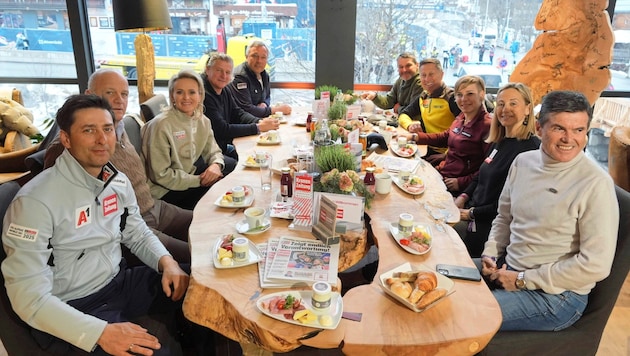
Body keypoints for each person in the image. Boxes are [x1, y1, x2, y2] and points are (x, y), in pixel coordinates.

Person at [2, 94, 190, 355]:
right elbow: (28, 298)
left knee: (204, 289)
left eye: (107, 129)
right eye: (89, 130)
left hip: (118, 282)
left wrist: (166, 262)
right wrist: (99, 332)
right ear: (66, 139)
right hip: (73, 305)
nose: (102, 140)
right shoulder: (35, 203)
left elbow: (135, 231)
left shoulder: (116, 180)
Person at [480, 90, 619, 331]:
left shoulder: (595, 183)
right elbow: (504, 217)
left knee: (462, 312)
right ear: (539, 128)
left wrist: (523, 280)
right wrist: (490, 254)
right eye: (559, 128)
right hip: (508, 268)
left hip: (557, 298)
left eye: (578, 130)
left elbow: (595, 264)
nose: (569, 139)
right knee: (441, 274)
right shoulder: (523, 162)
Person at [44, 69, 192, 264]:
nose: (119, 100)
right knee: (198, 255)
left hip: (153, 206)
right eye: (110, 93)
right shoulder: (68, 148)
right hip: (130, 226)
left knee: (211, 225)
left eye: (124, 94)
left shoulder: (119, 128)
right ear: (90, 95)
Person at [453, 83, 541, 257]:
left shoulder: (531, 151)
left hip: (489, 228)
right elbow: (480, 174)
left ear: (527, 109)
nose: (505, 109)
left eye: (513, 104)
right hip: (471, 211)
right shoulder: (500, 140)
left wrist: (470, 214)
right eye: (501, 104)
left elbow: (511, 205)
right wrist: (463, 197)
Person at [142, 69, 225, 210]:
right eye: (180, 92)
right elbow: (161, 176)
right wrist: (199, 181)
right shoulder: (160, 125)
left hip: (188, 177)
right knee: (219, 200)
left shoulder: (202, 120)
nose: (186, 97)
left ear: (200, 95)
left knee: (228, 178)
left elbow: (213, 150)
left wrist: (216, 165)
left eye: (192, 92)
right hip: (164, 191)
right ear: (172, 96)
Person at [407, 75, 492, 194]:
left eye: (470, 94)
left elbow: (488, 167)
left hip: (455, 185)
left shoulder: (487, 126)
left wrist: (461, 182)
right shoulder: (461, 117)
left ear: (482, 94)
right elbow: (445, 137)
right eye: (459, 95)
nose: (464, 99)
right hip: (442, 172)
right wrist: (414, 137)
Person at [202, 53, 279, 169]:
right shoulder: (202, 94)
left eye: (227, 72)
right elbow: (222, 130)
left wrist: (260, 122)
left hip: (220, 146)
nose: (223, 75)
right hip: (207, 153)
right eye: (219, 70)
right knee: (240, 165)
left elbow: (237, 113)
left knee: (252, 155)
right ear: (207, 70)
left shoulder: (224, 88)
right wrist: (258, 128)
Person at [398, 58, 461, 157]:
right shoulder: (424, 96)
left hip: (446, 153)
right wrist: (410, 125)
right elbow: (404, 114)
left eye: (431, 74)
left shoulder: (451, 98)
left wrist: (446, 156)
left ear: (441, 75)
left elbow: (462, 132)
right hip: (426, 147)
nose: (427, 79)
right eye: (423, 75)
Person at [228, 40, 292, 118]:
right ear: (246, 57)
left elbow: (267, 96)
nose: (259, 61)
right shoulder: (240, 77)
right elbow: (247, 109)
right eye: (255, 56)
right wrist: (277, 109)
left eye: (263, 57)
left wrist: (264, 104)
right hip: (243, 124)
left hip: (258, 120)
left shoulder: (264, 74)